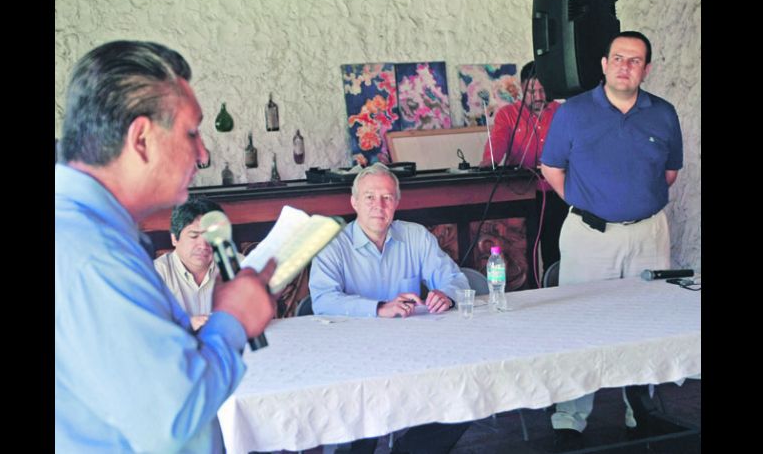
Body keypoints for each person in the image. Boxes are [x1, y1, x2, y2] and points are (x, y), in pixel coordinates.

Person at [55, 40, 277, 453]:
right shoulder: (93, 253)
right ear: (141, 138)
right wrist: (233, 319)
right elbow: (173, 417)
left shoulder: (81, 231)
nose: (203, 153)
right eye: (191, 133)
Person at [540, 31, 683, 447]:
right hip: (590, 236)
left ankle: (640, 413)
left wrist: (632, 206)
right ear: (604, 64)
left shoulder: (663, 113)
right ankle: (569, 418)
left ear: (646, 69)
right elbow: (552, 168)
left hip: (648, 233)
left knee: (647, 323)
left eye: (635, 60)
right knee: (580, 323)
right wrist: (589, 204)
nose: (625, 66)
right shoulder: (573, 112)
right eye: (618, 58)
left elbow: (669, 172)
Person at [309, 162, 470, 453]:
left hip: (412, 353)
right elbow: (323, 301)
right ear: (354, 202)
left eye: (387, 197)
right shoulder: (332, 244)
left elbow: (456, 280)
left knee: (462, 395)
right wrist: (378, 308)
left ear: (396, 203)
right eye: (369, 197)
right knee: (359, 422)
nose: (379, 205)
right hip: (351, 358)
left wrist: (446, 295)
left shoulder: (416, 236)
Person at [479, 61, 567, 276]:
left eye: (543, 91)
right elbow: (497, 143)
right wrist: (488, 162)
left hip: (558, 193)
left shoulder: (563, 112)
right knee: (523, 256)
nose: (538, 97)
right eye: (532, 91)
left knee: (556, 253)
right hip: (522, 195)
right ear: (521, 88)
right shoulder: (508, 115)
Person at [154, 196, 243, 331]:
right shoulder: (155, 273)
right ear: (174, 239)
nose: (203, 245)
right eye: (194, 236)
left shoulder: (237, 264)